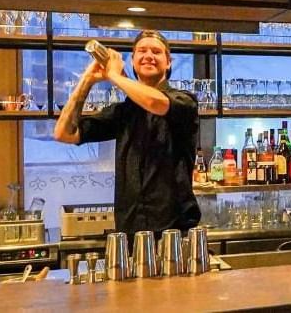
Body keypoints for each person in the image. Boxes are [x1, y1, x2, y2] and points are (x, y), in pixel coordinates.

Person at [54, 29, 201, 237]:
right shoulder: (122, 112)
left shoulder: (184, 102)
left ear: (168, 62)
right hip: (129, 232)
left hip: (176, 233)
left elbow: (155, 102)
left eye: (156, 52)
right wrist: (87, 79)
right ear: (133, 61)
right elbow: (64, 133)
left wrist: (113, 75)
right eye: (142, 51)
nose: (148, 55)